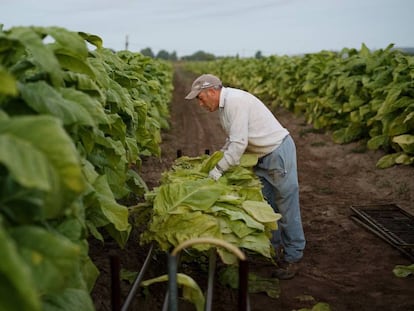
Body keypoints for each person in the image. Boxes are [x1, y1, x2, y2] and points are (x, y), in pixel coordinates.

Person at [185, 73, 306, 279]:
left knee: (286, 205)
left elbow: (239, 144)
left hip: (276, 153)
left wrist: (218, 170)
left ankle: (293, 256)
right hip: (260, 156)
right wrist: (218, 159)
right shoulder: (224, 108)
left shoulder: (235, 103)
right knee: (266, 206)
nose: (200, 103)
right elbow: (232, 141)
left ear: (212, 91)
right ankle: (272, 248)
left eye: (200, 97)